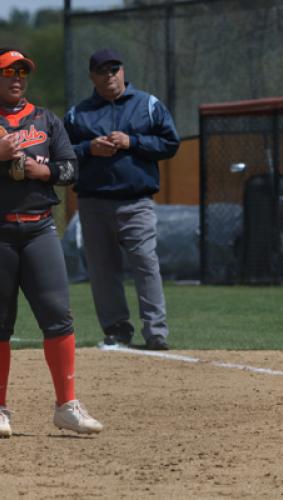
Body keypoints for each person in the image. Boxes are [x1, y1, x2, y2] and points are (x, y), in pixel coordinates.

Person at [0, 47, 103, 438]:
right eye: (8, 71)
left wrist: (40, 169)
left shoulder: (45, 120)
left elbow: (70, 168)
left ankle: (67, 405)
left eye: (23, 72)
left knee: (57, 314)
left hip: (38, 229)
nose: (17, 77)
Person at [64, 48, 180, 351]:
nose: (110, 75)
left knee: (145, 264)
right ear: (92, 77)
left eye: (114, 69)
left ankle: (156, 332)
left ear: (123, 71)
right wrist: (89, 148)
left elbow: (170, 143)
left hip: (135, 201)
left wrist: (133, 141)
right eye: (103, 71)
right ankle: (116, 330)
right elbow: (61, 153)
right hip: (93, 202)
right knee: (102, 269)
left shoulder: (148, 105)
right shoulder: (79, 113)